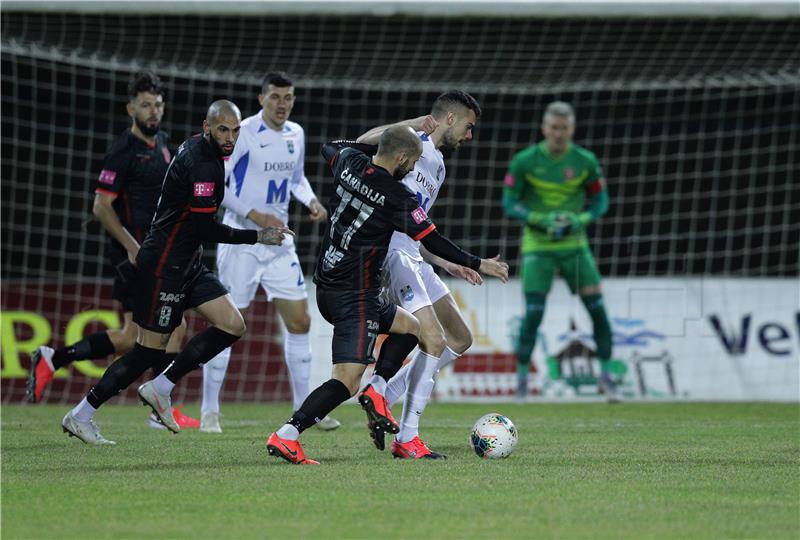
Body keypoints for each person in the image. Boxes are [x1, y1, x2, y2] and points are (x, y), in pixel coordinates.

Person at [265, 126, 509, 464]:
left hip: (327, 285)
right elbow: (434, 240)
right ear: (403, 158)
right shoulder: (397, 197)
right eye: (412, 162)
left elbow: (332, 144)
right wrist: (478, 262)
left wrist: (408, 125)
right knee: (346, 382)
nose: (412, 170)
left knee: (411, 328)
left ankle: (379, 389)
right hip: (355, 296)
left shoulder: (349, 163)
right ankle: (288, 434)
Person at [61, 100, 292, 445]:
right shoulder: (203, 163)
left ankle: (162, 387)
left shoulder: (206, 153)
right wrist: (258, 236)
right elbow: (205, 228)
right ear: (207, 127)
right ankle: (81, 414)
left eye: (235, 130)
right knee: (146, 352)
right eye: (222, 130)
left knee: (232, 324)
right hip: (165, 266)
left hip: (188, 264)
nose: (229, 137)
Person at [27, 71, 198, 429]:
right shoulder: (123, 151)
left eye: (158, 105)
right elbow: (101, 206)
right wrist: (132, 247)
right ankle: (156, 408)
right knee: (171, 324)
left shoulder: (163, 142)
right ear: (130, 108)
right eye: (146, 105)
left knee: (134, 336)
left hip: (156, 253)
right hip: (132, 257)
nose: (154, 112)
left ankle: (54, 359)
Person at [353, 90, 490, 458]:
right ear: (449, 118)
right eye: (468, 126)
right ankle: (407, 436)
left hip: (416, 255)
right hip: (392, 255)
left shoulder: (440, 166)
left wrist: (446, 262)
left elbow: (419, 224)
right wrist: (414, 123)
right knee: (431, 337)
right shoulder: (412, 143)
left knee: (459, 338)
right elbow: (364, 142)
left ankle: (383, 392)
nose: (469, 135)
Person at [202, 72, 339, 433]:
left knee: (300, 321)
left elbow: (295, 179)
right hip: (242, 243)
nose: (282, 104)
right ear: (262, 98)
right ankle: (209, 411)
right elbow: (221, 188)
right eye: (276, 97)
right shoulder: (242, 132)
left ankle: (306, 409)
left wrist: (311, 201)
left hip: (279, 242)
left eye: (288, 97)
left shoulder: (296, 133)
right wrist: (255, 215)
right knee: (227, 325)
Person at [502, 101, 619, 401]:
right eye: (553, 128)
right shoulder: (525, 161)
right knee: (533, 315)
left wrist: (579, 219)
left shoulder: (585, 161)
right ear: (544, 128)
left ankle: (606, 378)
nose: (558, 134)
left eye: (564, 128)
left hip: (574, 247)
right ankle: (523, 384)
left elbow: (601, 202)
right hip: (538, 247)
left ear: (572, 129)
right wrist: (538, 219)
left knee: (598, 313)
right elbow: (509, 202)